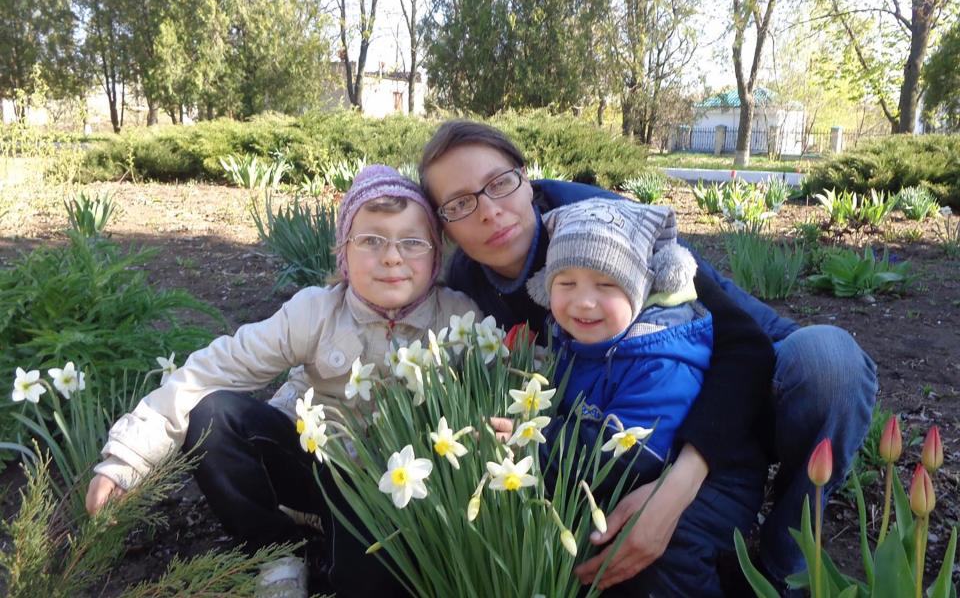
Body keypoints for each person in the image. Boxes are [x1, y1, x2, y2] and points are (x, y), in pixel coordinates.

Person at [418, 120, 878, 597]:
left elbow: (741, 346)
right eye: (459, 204)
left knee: (829, 364)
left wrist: (673, 492)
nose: (489, 212)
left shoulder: (601, 225)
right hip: (627, 424)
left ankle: (788, 569)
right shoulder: (466, 284)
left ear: (526, 178)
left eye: (499, 183)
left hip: (740, 377)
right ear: (443, 225)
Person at [85, 165, 479, 598]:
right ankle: (273, 551)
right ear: (343, 252)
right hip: (315, 467)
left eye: (412, 241)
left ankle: (332, 551)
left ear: (436, 255)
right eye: (370, 240)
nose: (391, 257)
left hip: (395, 489)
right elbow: (210, 370)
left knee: (358, 582)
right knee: (214, 414)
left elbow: (514, 373)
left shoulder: (459, 320)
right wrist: (126, 459)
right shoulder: (314, 312)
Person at [522, 198, 711, 492]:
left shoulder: (661, 362)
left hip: (649, 508)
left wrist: (531, 438)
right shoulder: (563, 334)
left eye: (607, 285)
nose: (583, 302)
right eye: (566, 284)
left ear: (640, 291)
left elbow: (627, 457)